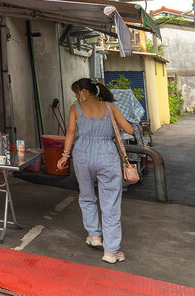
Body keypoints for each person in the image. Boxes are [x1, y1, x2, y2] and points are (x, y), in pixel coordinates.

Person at [57, 78, 134, 264]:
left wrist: (64, 156)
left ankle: (94, 235)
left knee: (86, 195)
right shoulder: (110, 107)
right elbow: (130, 130)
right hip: (107, 154)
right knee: (110, 203)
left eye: (77, 92)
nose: (77, 96)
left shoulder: (76, 108)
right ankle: (111, 252)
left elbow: (70, 133)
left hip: (82, 154)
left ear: (84, 91)